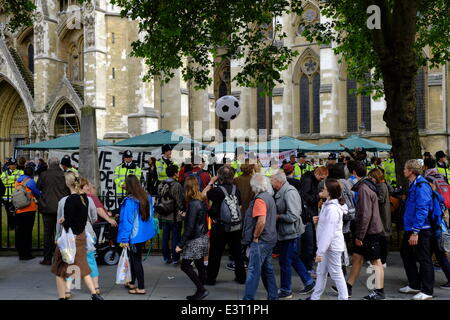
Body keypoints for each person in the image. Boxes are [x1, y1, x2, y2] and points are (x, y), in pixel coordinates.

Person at [335, 161, 385, 300]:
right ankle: (348, 287)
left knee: (376, 261)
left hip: (370, 231)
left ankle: (380, 292)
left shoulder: (363, 188)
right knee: (357, 257)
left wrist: (360, 236)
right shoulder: (366, 185)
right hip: (369, 229)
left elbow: (365, 214)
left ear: (353, 173)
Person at [51, 172, 103, 300]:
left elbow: (69, 221)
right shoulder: (85, 198)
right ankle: (94, 293)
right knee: (83, 266)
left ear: (66, 184)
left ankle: (62, 296)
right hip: (81, 236)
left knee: (60, 269)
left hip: (70, 237)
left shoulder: (69, 200)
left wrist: (63, 222)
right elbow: (83, 217)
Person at [271, 170, 315, 298]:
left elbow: (293, 215)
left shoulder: (289, 192)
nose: (271, 183)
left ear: (279, 181)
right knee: (293, 257)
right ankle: (308, 281)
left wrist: (278, 217)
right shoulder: (283, 191)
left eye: (272, 181)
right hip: (287, 231)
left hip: (290, 232)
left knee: (285, 261)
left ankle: (286, 290)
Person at [203, 166, 246, 285]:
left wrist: (211, 182)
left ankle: (211, 279)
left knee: (215, 254)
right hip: (235, 226)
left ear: (219, 177)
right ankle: (241, 277)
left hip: (220, 226)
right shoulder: (236, 189)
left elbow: (203, 195)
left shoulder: (217, 191)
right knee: (237, 253)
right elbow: (240, 206)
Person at [399, 159, 435, 300]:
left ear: (411, 171)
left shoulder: (421, 186)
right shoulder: (414, 184)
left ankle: (427, 291)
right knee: (406, 253)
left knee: (424, 258)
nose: (403, 171)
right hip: (412, 227)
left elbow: (422, 209)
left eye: (405, 169)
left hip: (421, 229)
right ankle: (415, 284)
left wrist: (416, 232)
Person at [309, 179, 349, 300]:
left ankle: (343, 298)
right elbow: (328, 227)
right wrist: (320, 219)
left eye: (324, 189)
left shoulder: (332, 208)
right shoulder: (329, 205)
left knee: (335, 273)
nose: (322, 190)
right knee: (322, 272)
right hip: (329, 246)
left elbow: (328, 232)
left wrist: (320, 252)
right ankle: (315, 297)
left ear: (330, 192)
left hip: (330, 246)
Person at [117, 175, 156, 294]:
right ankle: (132, 282)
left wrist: (124, 239)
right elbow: (150, 215)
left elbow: (127, 222)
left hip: (134, 235)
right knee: (135, 259)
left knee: (136, 260)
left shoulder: (129, 201)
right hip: (143, 233)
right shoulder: (146, 196)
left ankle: (141, 287)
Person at [242, 174, 278, 300]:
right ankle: (273, 296)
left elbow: (261, 221)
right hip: (270, 238)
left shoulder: (260, 200)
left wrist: (255, 236)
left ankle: (248, 298)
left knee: (253, 271)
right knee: (267, 269)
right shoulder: (269, 197)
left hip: (261, 240)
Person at [175, 176, 210, 300]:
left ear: (187, 189)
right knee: (199, 263)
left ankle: (201, 289)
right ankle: (201, 288)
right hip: (203, 236)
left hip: (196, 239)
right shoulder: (199, 200)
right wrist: (187, 216)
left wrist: (180, 244)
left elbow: (189, 227)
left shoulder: (193, 203)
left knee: (185, 265)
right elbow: (198, 220)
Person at [422, 158, 450, 289]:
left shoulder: (427, 178)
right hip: (443, 214)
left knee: (435, 253)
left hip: (434, 221)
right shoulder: (442, 175)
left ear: (426, 166)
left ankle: (426, 283)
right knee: (439, 252)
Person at [37, 158, 70, 265]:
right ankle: (61, 258)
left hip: (47, 207)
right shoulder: (63, 175)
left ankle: (47, 258)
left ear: (48, 164)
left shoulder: (43, 175)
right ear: (58, 164)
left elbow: (39, 187)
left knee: (48, 233)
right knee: (62, 233)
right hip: (61, 207)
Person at [299, 166, 329, 273]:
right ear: (317, 174)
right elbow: (305, 198)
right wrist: (319, 195)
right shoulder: (308, 180)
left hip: (311, 213)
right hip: (307, 215)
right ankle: (307, 267)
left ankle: (307, 265)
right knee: (309, 243)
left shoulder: (311, 179)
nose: (322, 181)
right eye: (321, 178)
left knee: (310, 242)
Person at [157, 165, 185, 264]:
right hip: (174, 216)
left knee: (165, 236)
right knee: (175, 237)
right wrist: (183, 210)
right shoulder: (177, 185)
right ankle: (175, 258)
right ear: (174, 173)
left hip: (163, 214)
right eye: (177, 172)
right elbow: (179, 201)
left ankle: (166, 257)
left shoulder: (161, 184)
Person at [15, 166, 41, 260]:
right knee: (27, 232)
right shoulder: (30, 182)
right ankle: (26, 253)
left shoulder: (17, 181)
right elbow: (37, 193)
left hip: (18, 209)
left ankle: (20, 252)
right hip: (29, 209)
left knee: (20, 232)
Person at [368, 168, 392, 266]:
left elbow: (380, 199)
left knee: (381, 239)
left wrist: (371, 198)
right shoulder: (381, 185)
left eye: (371, 177)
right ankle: (381, 259)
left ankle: (383, 260)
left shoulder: (381, 186)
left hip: (383, 215)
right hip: (382, 214)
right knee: (381, 239)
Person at [1, 158, 24, 230]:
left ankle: (16, 226)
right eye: (11, 165)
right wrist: (14, 179)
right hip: (6, 197)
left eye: (14, 164)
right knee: (8, 213)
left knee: (17, 213)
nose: (13, 166)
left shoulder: (20, 172)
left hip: (17, 196)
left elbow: (21, 179)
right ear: (8, 165)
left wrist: (9, 178)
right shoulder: (4, 173)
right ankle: (10, 226)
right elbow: (3, 181)